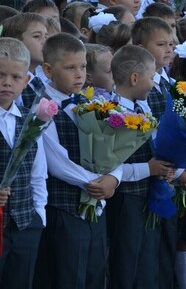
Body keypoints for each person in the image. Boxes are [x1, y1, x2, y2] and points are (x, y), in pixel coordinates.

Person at [37, 34, 122, 288]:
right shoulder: (42, 107)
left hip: (96, 204)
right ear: (48, 70)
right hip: (64, 206)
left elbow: (114, 146)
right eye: (70, 68)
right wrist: (95, 183)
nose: (79, 74)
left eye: (83, 67)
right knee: (68, 275)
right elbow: (56, 161)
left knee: (95, 273)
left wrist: (113, 177)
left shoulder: (92, 103)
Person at [105, 46, 174, 288]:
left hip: (148, 196)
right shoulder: (112, 113)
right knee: (126, 264)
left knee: (147, 263)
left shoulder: (144, 107)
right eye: (152, 77)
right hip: (126, 200)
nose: (154, 84)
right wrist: (150, 169)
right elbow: (110, 166)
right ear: (135, 78)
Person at [0, 38, 47, 289]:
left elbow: (38, 172)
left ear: (26, 81)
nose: (7, 82)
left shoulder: (30, 120)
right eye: (0, 75)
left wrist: (39, 214)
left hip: (25, 222)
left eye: (16, 77)